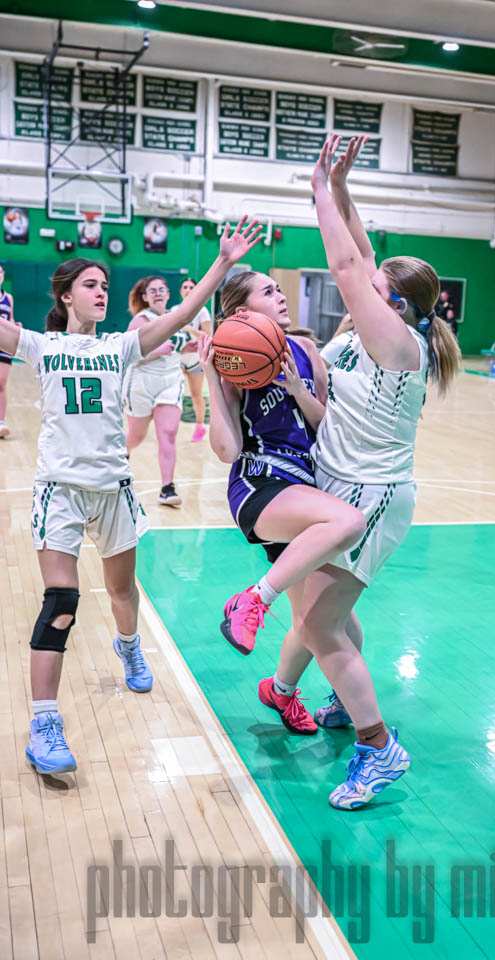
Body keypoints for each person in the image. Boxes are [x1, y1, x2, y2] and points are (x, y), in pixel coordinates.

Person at [0, 219, 260, 776]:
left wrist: (222, 263)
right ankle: (44, 723)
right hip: (60, 492)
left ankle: (129, 644)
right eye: (90, 285)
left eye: (104, 285)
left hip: (114, 491)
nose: (101, 292)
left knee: (123, 593)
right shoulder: (41, 345)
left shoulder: (120, 346)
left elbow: (181, 317)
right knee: (61, 602)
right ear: (66, 296)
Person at [258, 134, 460, 810]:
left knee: (319, 626)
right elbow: (364, 258)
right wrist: (344, 189)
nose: (361, 289)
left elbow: (348, 263)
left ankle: (379, 748)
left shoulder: (398, 345)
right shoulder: (362, 332)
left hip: (372, 499)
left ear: (395, 307)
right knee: (325, 617)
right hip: (335, 487)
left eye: (376, 292)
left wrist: (317, 190)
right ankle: (346, 703)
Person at [199, 272, 366, 734]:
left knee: (334, 627)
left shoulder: (306, 349)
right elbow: (227, 451)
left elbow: (326, 427)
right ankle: (252, 600)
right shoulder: (234, 358)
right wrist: (212, 378)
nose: (281, 296)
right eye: (269, 291)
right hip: (261, 484)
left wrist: (298, 391)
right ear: (242, 312)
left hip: (305, 488)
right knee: (348, 522)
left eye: (279, 289)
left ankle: (282, 691)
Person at [124, 276, 195, 506]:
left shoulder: (175, 318)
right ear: (145, 297)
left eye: (161, 289)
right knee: (137, 436)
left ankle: (167, 488)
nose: (157, 293)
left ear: (168, 294)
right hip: (142, 381)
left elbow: (173, 348)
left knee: (168, 433)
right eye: (152, 290)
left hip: (170, 381)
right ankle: (121, 455)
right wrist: (155, 351)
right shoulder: (140, 321)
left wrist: (186, 348)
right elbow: (127, 354)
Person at [174, 276, 212, 442]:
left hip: (195, 359)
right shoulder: (175, 309)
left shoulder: (202, 311)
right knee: (174, 393)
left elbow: (208, 335)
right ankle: (170, 426)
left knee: (196, 395)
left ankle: (200, 427)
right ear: (180, 291)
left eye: (191, 287)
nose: (188, 290)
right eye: (185, 287)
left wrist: (189, 329)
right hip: (179, 357)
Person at [0, 264, 19, 438]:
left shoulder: (9, 298)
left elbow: (10, 318)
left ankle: (1, 423)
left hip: (4, 345)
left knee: (1, 382)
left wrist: (16, 326)